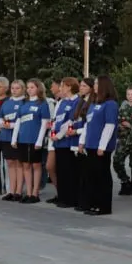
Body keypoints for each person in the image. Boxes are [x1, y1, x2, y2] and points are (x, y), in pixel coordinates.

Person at [78, 75, 119, 216]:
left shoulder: (110, 104)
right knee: (92, 176)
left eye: (96, 83)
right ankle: (94, 203)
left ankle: (104, 206)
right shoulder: (94, 104)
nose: (94, 86)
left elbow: (110, 126)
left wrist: (102, 146)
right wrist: (82, 141)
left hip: (101, 147)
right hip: (90, 145)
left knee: (102, 176)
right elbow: (87, 125)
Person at [10, 79, 50, 204]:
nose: (29, 89)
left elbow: (44, 124)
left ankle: (35, 192)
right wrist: (14, 138)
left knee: (36, 165)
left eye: (32, 87)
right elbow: (18, 122)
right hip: (23, 139)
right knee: (25, 165)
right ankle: (28, 192)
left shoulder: (43, 104)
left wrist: (39, 141)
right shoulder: (24, 104)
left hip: (34, 139)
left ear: (38, 88)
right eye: (28, 87)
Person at [50, 78, 81, 208]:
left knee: (69, 171)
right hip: (58, 142)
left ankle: (71, 198)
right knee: (61, 170)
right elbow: (56, 119)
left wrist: (59, 135)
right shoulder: (62, 102)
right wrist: (52, 131)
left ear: (69, 87)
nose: (60, 88)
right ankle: (62, 196)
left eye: (62, 86)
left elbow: (71, 120)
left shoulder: (77, 101)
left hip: (68, 141)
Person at [115, 85, 132, 195]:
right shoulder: (123, 106)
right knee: (117, 161)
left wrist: (129, 124)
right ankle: (125, 181)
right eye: (128, 94)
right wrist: (120, 125)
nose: (130, 96)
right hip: (123, 139)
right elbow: (117, 118)